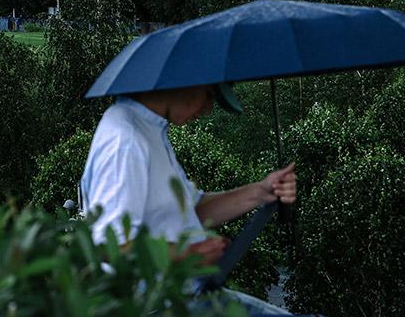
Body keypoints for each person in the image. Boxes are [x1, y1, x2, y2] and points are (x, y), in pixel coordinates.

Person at [79, 82, 298, 316]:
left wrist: (261, 191)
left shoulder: (150, 130)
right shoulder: (125, 141)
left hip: (189, 297)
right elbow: (108, 247)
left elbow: (192, 210)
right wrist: (187, 254)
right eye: (209, 96)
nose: (208, 109)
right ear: (184, 83)